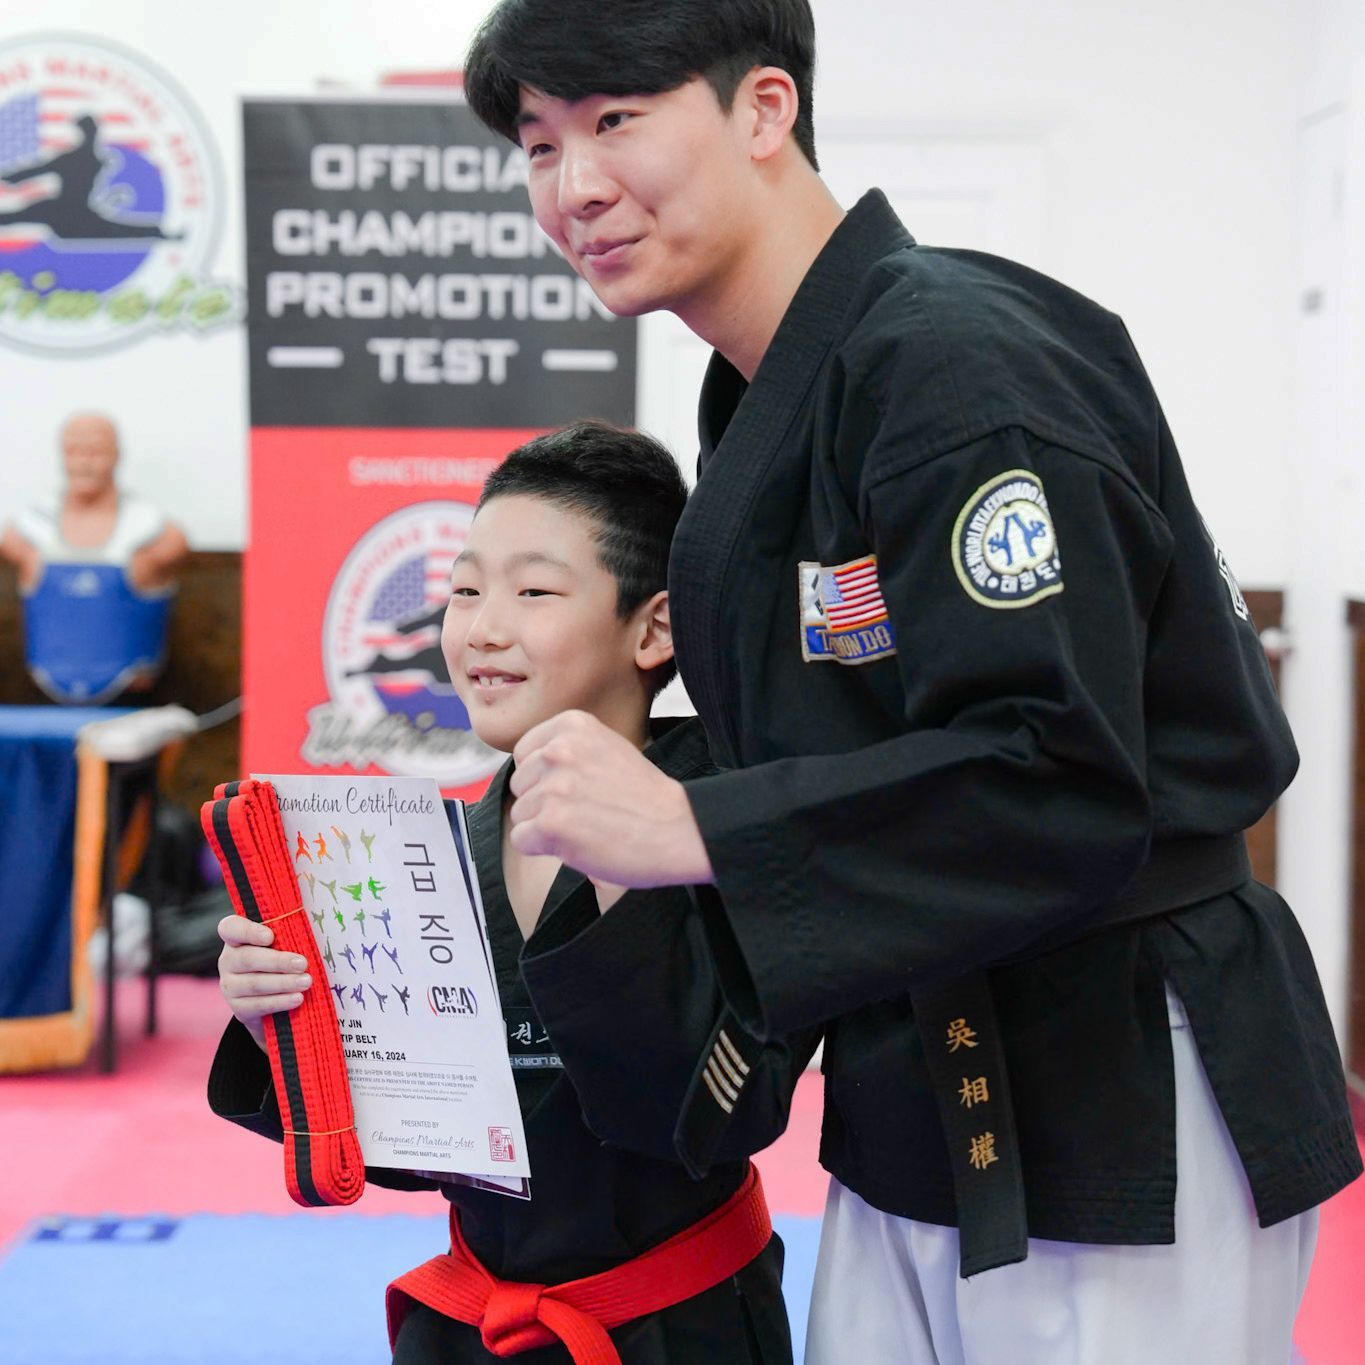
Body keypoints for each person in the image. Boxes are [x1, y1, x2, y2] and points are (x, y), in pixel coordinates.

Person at [460, 4, 1364, 1362]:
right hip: (914, 1079)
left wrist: (694, 827)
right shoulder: (772, 393)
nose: (572, 184)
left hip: (1114, 1075)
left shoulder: (956, 361)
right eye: (536, 144)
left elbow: (1061, 773)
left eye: (613, 121)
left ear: (764, 111)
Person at [209, 421, 815, 1364]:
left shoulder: (728, 827)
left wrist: (623, 870)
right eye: (462, 591)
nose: (481, 627)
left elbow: (719, 1115)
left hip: (681, 1329)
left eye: (532, 591)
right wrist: (282, 1025)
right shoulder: (436, 852)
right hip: (473, 1329)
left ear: (651, 627)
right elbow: (417, 1143)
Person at [1, 411, 189, 703]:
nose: (84, 462)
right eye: (74, 451)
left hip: (130, 700)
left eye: (95, 451)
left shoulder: (155, 534)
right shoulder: (25, 533)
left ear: (116, 455)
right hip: (42, 699)